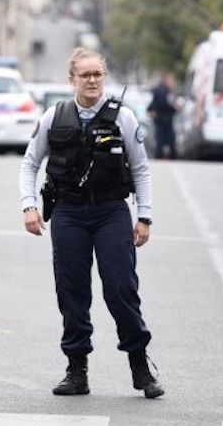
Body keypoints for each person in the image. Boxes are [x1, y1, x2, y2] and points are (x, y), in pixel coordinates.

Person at [19, 47, 162, 399]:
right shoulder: (56, 115)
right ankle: (76, 369)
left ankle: (140, 365)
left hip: (111, 211)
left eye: (98, 74)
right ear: (72, 80)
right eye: (85, 75)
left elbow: (141, 169)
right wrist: (28, 206)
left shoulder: (123, 118)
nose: (93, 80)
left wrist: (144, 216)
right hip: (69, 212)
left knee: (121, 288)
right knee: (72, 292)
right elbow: (30, 163)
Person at [147, 73, 179, 159]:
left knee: (161, 140)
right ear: (167, 81)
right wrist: (175, 109)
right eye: (171, 81)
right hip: (164, 120)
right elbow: (166, 104)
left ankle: (160, 156)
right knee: (168, 140)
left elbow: (153, 103)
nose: (173, 83)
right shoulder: (164, 91)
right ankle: (170, 157)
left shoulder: (159, 90)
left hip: (160, 120)